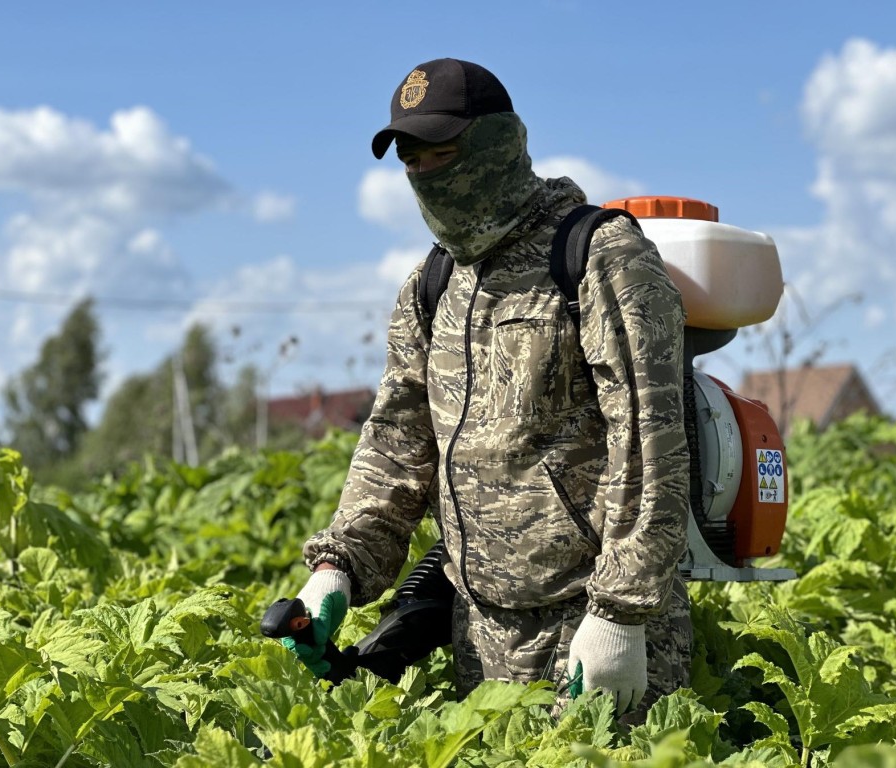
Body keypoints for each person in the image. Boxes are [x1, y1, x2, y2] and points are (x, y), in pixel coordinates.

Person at [287, 57, 692, 719]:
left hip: (595, 630)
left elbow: (652, 441)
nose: (427, 175)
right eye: (411, 161)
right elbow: (396, 444)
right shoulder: (431, 287)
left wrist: (622, 610)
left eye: (443, 153)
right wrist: (339, 564)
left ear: (499, 146)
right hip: (478, 638)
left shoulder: (598, 255)